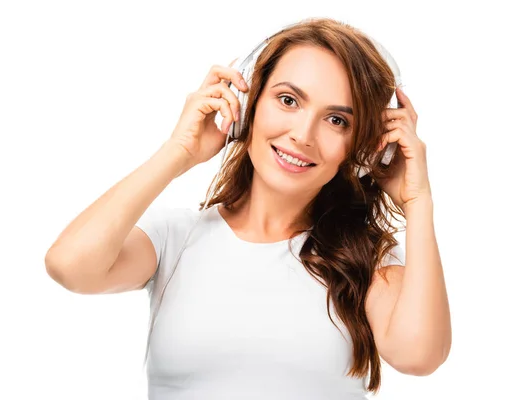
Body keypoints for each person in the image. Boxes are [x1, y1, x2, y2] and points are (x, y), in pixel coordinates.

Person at [44, 17, 451, 399]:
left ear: (363, 149)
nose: (302, 135)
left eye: (337, 121)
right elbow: (70, 266)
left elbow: (418, 356)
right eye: (288, 100)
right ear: (247, 104)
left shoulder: (369, 260)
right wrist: (178, 152)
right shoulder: (176, 237)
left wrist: (418, 201)